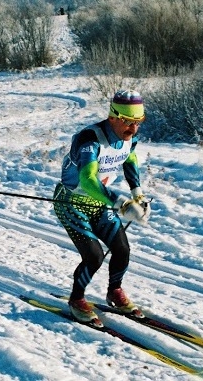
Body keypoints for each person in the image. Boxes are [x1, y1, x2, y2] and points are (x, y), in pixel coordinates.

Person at [52, 90, 151, 326]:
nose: (133, 129)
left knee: (122, 248)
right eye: (128, 122)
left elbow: (129, 158)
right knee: (94, 256)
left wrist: (138, 195)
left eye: (138, 123)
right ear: (113, 116)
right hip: (71, 202)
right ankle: (76, 299)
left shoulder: (129, 137)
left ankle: (114, 292)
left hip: (99, 202)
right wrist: (121, 203)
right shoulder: (90, 139)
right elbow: (87, 179)